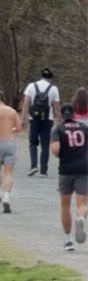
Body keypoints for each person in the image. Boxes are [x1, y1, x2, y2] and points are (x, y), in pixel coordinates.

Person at [51, 101, 88, 252]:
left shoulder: (58, 128)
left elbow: (55, 150)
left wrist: (64, 152)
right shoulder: (84, 128)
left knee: (65, 205)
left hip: (66, 169)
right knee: (82, 203)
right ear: (74, 114)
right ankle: (81, 218)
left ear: (61, 114)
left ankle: (68, 240)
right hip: (83, 168)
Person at [0, 90, 22, 213]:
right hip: (10, 143)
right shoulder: (12, 111)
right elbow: (19, 128)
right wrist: (9, 131)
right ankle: (6, 197)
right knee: (8, 173)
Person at [21, 68, 60, 177]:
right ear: (50, 78)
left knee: (33, 143)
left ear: (41, 76)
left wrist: (23, 119)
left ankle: (33, 166)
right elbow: (56, 107)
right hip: (48, 119)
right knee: (45, 144)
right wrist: (61, 120)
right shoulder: (54, 89)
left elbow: (26, 103)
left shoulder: (31, 86)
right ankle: (44, 170)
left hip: (34, 119)